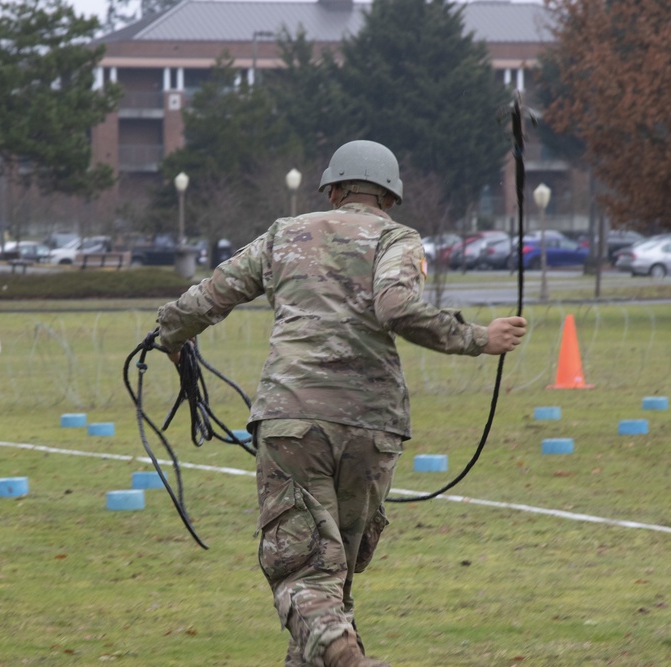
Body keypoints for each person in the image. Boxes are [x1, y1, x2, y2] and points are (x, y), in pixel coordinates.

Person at [155, 140, 527, 667]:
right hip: (372, 427)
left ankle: (347, 658)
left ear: (332, 189)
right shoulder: (398, 238)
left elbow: (211, 295)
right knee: (333, 579)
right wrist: (477, 338)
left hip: (292, 421)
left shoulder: (285, 233)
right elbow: (396, 304)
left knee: (306, 571)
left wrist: (169, 336)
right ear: (390, 197)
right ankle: (337, 651)